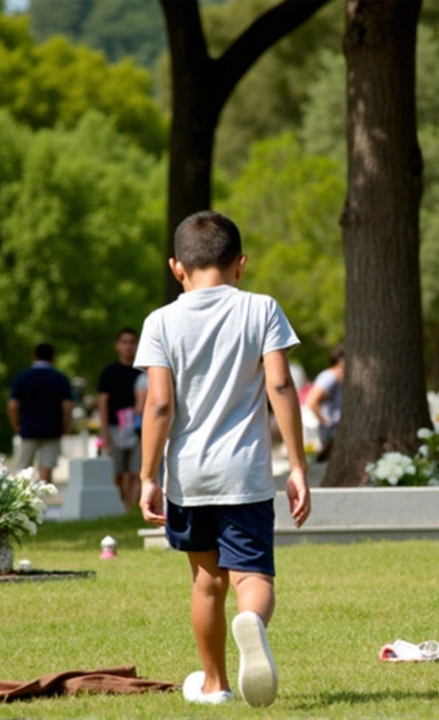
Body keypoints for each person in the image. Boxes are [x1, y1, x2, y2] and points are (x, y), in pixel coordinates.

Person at [136, 210, 310, 708]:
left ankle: (214, 686)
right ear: (241, 265)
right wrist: (297, 466)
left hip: (189, 477)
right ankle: (251, 622)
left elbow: (160, 404)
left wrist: (149, 476)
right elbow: (279, 385)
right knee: (252, 577)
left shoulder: (160, 322)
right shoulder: (261, 309)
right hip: (246, 472)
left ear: (176, 267)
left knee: (206, 581)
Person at [8, 343, 74, 483]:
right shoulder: (60, 378)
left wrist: (16, 426)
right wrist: (66, 425)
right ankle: (43, 497)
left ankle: (24, 499)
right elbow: (68, 406)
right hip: (52, 428)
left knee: (23, 468)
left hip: (28, 428)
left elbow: (13, 406)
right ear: (54, 358)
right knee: (47, 466)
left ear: (34, 356)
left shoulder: (23, 377)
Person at [98, 328, 145, 510]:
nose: (128, 346)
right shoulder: (109, 372)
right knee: (117, 472)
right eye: (124, 342)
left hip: (138, 429)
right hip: (115, 427)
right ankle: (120, 504)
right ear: (117, 345)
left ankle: (132, 505)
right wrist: (104, 430)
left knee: (136, 471)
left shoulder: (142, 372)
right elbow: (103, 401)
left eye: (132, 342)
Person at [304, 345, 345, 461]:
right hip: (331, 426)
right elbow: (312, 401)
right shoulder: (329, 377)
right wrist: (326, 421)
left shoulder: (337, 377)